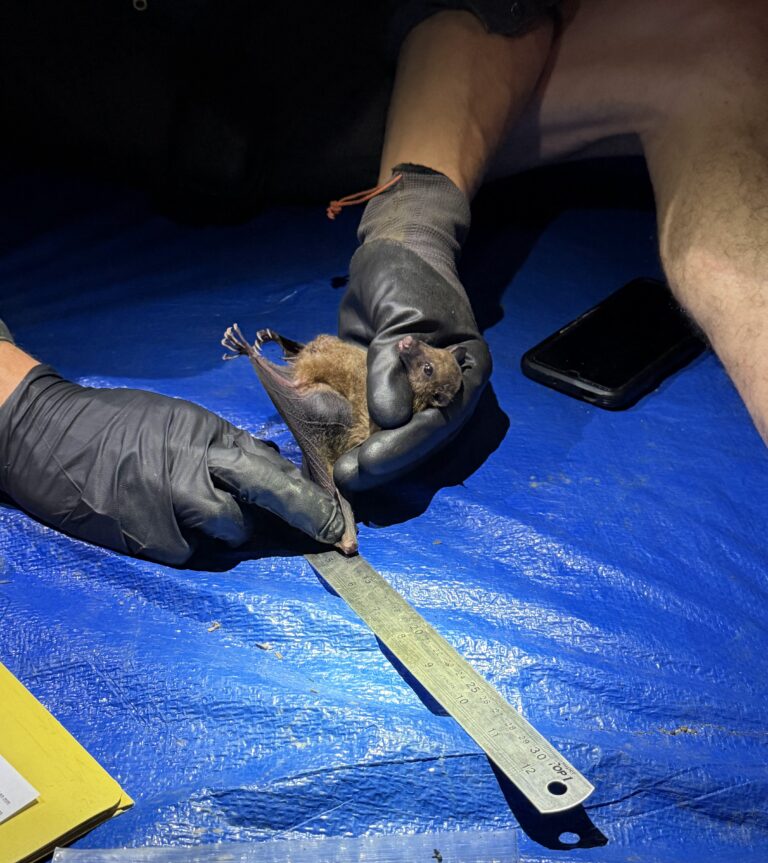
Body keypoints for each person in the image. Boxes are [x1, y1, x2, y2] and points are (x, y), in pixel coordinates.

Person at [0, 0, 766, 566]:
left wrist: (415, 212)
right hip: (62, 105)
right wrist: (24, 413)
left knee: (720, 36)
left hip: (336, 100)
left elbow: (486, 7)